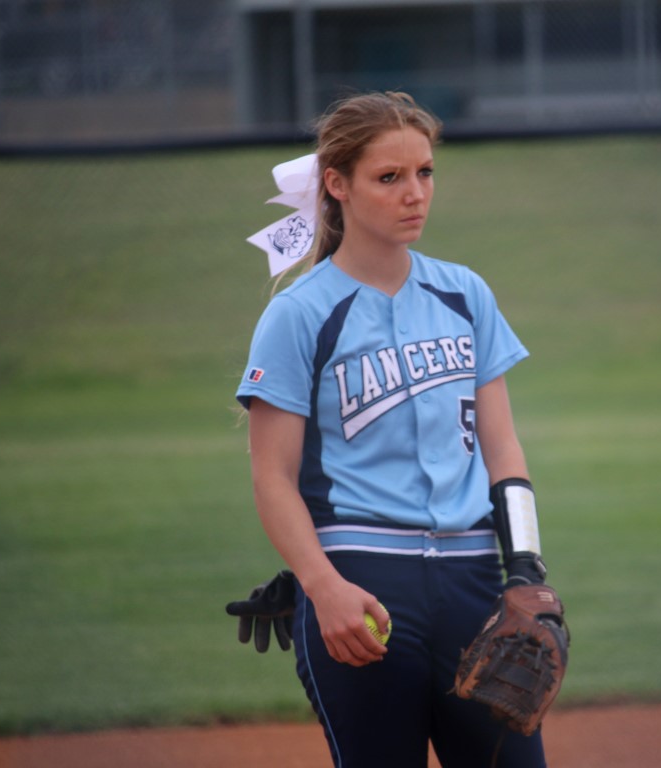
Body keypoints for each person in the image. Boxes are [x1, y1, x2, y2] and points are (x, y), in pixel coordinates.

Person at [228, 91, 561, 767]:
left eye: (425, 172)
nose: (415, 193)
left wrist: (525, 568)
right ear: (337, 184)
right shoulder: (299, 314)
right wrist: (322, 586)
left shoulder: (464, 294)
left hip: (473, 580)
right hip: (363, 585)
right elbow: (272, 477)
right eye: (389, 177)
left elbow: (502, 449)